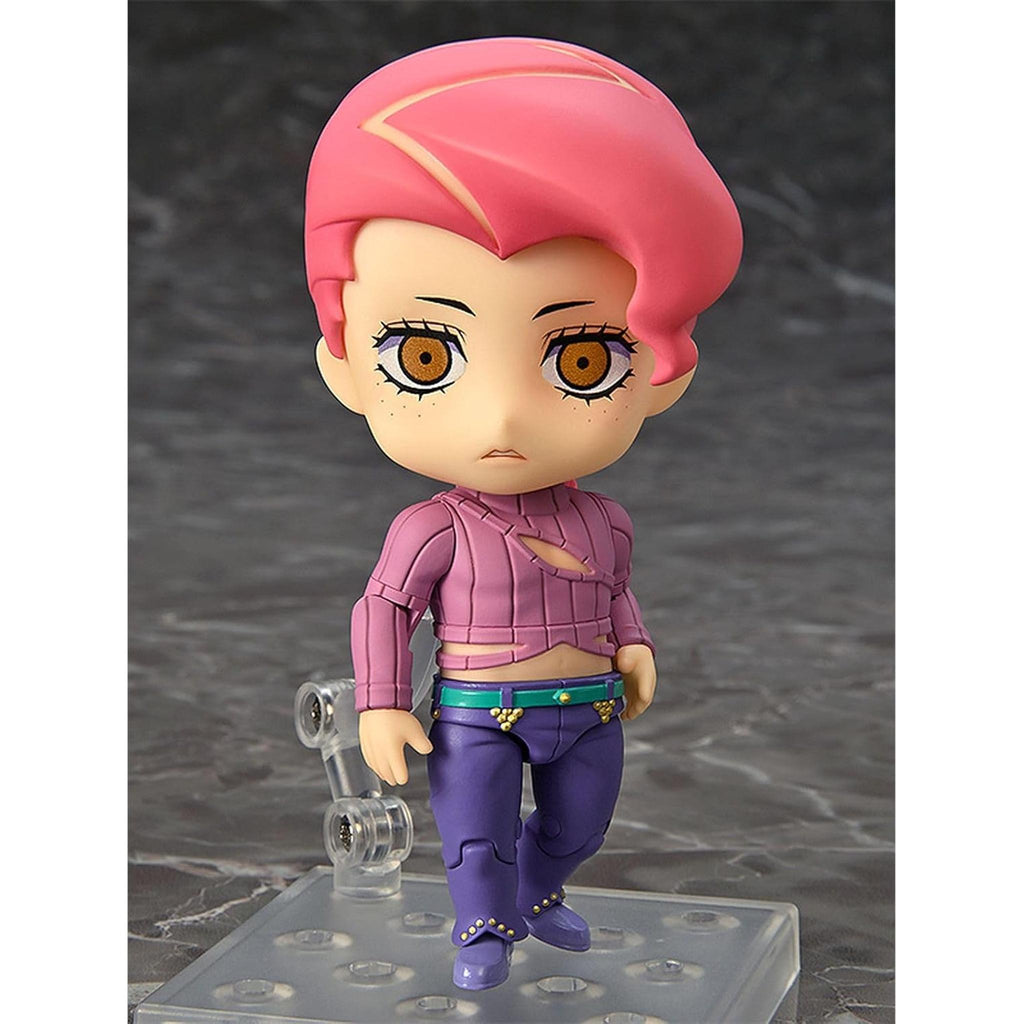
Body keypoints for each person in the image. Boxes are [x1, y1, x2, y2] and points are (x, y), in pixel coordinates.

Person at [305, 36, 741, 990]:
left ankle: (535, 894)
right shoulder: (431, 529)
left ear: (663, 369)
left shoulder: (606, 522)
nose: (503, 416)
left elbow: (614, 591)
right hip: (478, 710)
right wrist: (380, 702)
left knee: (581, 824)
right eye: (425, 356)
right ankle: (481, 929)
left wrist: (635, 644)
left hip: (588, 705)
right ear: (345, 364)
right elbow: (385, 609)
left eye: (582, 359)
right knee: (474, 836)